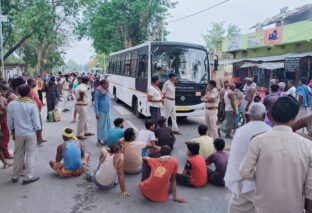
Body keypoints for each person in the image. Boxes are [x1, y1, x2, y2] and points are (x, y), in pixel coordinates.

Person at [240, 96, 312, 213]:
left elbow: (244, 171)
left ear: (271, 116)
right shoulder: (308, 146)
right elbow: (310, 188)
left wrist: (262, 176)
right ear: (294, 117)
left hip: (263, 206)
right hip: (293, 207)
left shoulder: (258, 140)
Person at [225, 103, 271, 213]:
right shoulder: (270, 131)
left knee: (238, 206)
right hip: (262, 181)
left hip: (242, 179)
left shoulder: (241, 130)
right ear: (264, 115)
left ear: (249, 114)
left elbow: (236, 156)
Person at [8, 85, 41, 184]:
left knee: (18, 154)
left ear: (18, 93)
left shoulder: (12, 104)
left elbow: (9, 121)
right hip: (30, 133)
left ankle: (15, 176)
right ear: (29, 93)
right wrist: (39, 134)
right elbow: (36, 123)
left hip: (18, 133)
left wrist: (13, 132)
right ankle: (28, 177)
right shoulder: (32, 104)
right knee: (30, 155)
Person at [94, 79, 111, 146]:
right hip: (101, 112)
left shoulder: (106, 90)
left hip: (106, 111)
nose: (108, 85)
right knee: (100, 126)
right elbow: (96, 103)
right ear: (103, 84)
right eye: (107, 83)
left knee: (106, 126)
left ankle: (105, 139)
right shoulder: (98, 91)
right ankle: (99, 140)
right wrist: (96, 113)